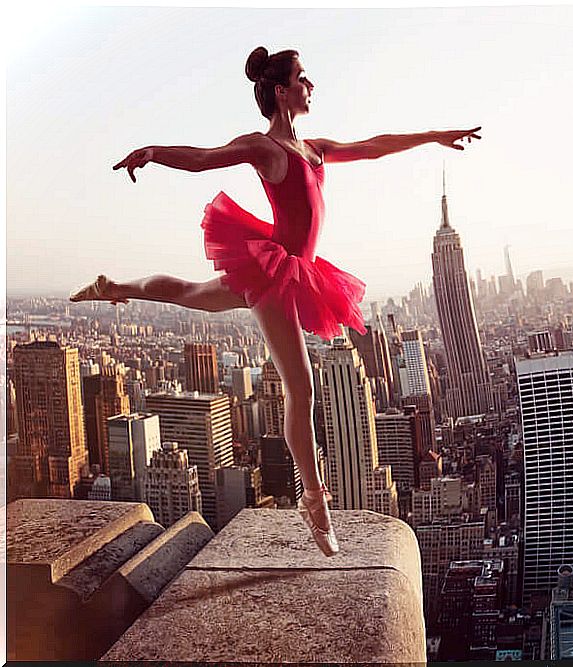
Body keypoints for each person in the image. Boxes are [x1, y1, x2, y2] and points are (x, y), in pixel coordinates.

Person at [71, 46, 481, 556]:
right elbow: (204, 160)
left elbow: (373, 145)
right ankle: (315, 504)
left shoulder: (314, 149)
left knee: (190, 293)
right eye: (303, 78)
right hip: (271, 272)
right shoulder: (267, 149)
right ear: (282, 91)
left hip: (296, 271)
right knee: (302, 388)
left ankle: (114, 288)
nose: (312, 86)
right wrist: (152, 152)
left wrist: (434, 137)